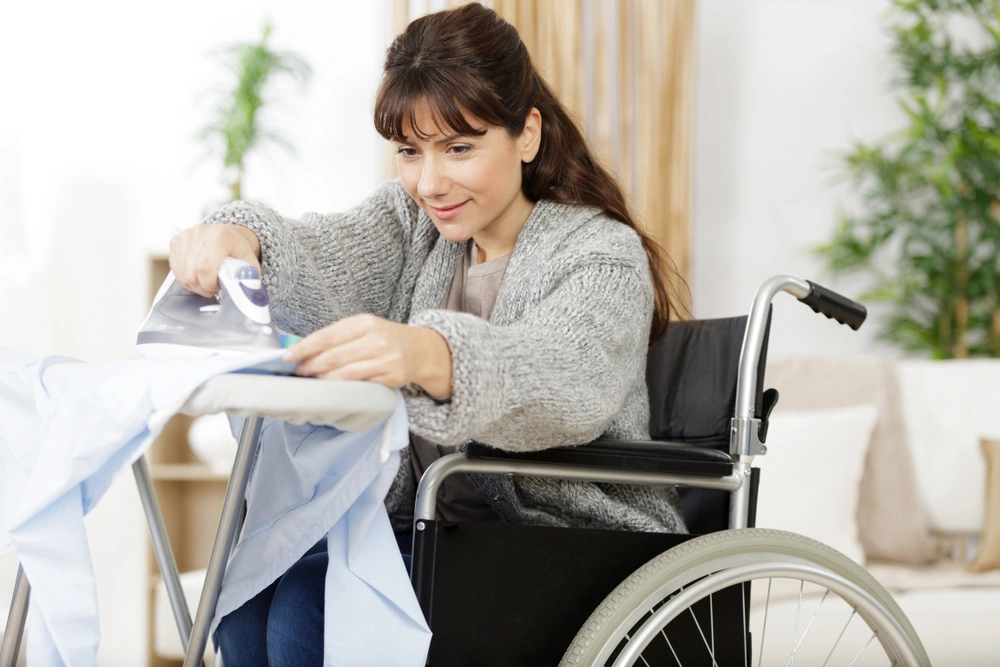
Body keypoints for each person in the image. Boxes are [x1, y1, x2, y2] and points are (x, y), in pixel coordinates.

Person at [168, 3, 687, 664]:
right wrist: (243, 235)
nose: (429, 181)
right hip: (435, 531)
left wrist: (432, 351)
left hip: (564, 540)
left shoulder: (602, 256)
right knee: (246, 604)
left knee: (306, 611)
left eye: (460, 147)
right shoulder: (413, 226)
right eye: (409, 151)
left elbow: (565, 376)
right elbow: (317, 250)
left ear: (526, 135)